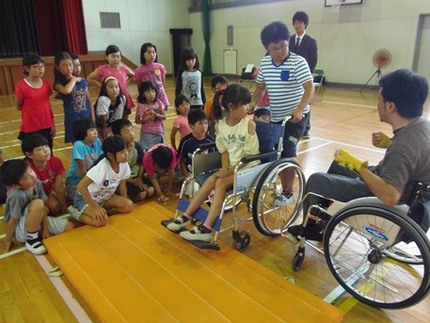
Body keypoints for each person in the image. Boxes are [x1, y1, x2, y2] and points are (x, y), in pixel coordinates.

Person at [288, 69, 430, 240]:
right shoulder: (421, 126)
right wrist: (390, 143)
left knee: (317, 180)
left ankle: (312, 230)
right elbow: (414, 157)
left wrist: (360, 168)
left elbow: (390, 196)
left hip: (384, 200)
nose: (377, 103)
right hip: (409, 192)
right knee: (338, 165)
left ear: (390, 106)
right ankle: (322, 222)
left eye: (379, 98)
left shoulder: (404, 147)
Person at [167, 84, 260, 242]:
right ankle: (185, 217)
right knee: (212, 179)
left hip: (249, 166)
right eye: (244, 104)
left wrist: (230, 170)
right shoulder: (221, 126)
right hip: (231, 166)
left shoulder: (249, 125)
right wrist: (225, 168)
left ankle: (207, 228)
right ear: (231, 106)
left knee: (221, 183)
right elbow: (223, 151)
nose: (248, 108)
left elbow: (250, 155)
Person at [251, 21, 314, 200]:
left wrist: (300, 109)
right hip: (276, 116)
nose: (280, 51)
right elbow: (260, 88)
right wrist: (253, 103)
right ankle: (282, 186)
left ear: (288, 42)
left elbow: (310, 89)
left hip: (296, 117)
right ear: (266, 48)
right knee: (274, 151)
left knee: (287, 151)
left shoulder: (298, 62)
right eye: (274, 48)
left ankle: (288, 193)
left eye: (283, 46)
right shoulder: (265, 63)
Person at [0, 159, 75, 255]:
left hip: (37, 221)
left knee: (69, 226)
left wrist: (45, 228)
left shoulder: (37, 183)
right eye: (27, 177)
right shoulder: (17, 195)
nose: (32, 176)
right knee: (38, 203)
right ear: (16, 185)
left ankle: (36, 233)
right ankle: (31, 240)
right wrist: (7, 240)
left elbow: (42, 207)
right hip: (21, 229)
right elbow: (13, 220)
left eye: (30, 170)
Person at [68, 136, 133, 227]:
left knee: (128, 205)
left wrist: (124, 200)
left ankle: (102, 210)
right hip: (85, 199)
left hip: (105, 198)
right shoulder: (101, 168)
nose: (126, 154)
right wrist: (94, 207)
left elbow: (123, 186)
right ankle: (75, 213)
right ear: (110, 155)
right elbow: (80, 186)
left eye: (126, 150)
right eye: (122, 152)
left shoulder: (124, 165)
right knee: (101, 221)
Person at [15, 53, 55, 149]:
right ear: (27, 68)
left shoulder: (45, 83)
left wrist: (52, 124)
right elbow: (18, 106)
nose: (40, 69)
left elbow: (47, 104)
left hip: (47, 125)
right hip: (31, 127)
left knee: (48, 151)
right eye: (36, 67)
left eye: (42, 66)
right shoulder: (21, 86)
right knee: (33, 152)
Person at [289, 11, 318, 139]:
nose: (297, 25)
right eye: (295, 22)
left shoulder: (311, 41)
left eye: (299, 22)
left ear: (305, 24)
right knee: (293, 99)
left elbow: (313, 60)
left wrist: (307, 75)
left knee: (306, 101)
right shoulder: (289, 40)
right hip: (291, 77)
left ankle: (306, 128)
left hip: (304, 76)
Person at [53, 52, 94, 143]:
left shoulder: (82, 81)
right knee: (77, 144)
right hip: (73, 120)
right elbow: (67, 91)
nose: (69, 68)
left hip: (85, 117)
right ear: (57, 67)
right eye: (64, 66)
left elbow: (89, 101)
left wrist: (93, 119)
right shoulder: (58, 84)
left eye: (70, 65)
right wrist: (74, 79)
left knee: (90, 142)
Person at [22, 134, 67, 215]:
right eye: (39, 149)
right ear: (29, 154)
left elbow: (59, 186)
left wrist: (64, 207)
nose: (46, 150)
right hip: (32, 196)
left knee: (60, 204)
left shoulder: (56, 161)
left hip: (46, 191)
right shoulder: (26, 169)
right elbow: (29, 193)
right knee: (51, 207)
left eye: (46, 146)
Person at [111, 119, 155, 202]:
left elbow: (142, 163)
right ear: (118, 136)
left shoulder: (137, 146)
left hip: (136, 177)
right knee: (141, 195)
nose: (131, 134)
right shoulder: (116, 151)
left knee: (150, 191)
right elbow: (118, 172)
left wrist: (139, 178)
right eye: (127, 132)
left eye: (132, 130)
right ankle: (124, 195)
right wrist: (133, 181)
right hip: (125, 179)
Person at [87, 45, 135, 113]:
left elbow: (133, 76)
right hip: (109, 98)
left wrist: (125, 85)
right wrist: (102, 87)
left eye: (118, 56)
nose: (116, 59)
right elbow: (89, 78)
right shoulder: (102, 69)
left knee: (124, 118)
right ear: (106, 57)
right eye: (113, 56)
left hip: (123, 96)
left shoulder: (124, 69)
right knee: (109, 117)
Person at [65, 119, 103, 203]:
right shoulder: (79, 145)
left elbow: (101, 162)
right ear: (82, 133)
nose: (95, 132)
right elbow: (82, 171)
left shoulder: (98, 142)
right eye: (91, 130)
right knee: (85, 201)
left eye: (95, 129)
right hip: (76, 182)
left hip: (91, 179)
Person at [177, 109, 215, 182]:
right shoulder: (185, 142)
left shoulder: (211, 142)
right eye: (200, 123)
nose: (204, 126)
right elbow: (182, 161)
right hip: (191, 175)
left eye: (206, 123)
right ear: (191, 126)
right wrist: (186, 176)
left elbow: (213, 164)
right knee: (194, 189)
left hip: (207, 175)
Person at [134, 42, 169, 111]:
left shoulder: (160, 67)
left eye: (153, 52)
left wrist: (159, 91)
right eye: (149, 52)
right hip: (148, 99)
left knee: (161, 118)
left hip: (161, 96)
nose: (152, 55)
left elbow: (163, 81)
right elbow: (140, 86)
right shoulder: (139, 70)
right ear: (143, 54)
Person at [135, 81, 166, 150]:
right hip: (147, 134)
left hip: (159, 132)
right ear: (143, 94)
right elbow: (137, 120)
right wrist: (146, 119)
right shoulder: (141, 105)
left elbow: (164, 117)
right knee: (148, 152)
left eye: (153, 91)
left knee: (159, 152)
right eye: (148, 92)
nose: (151, 94)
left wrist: (156, 115)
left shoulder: (158, 102)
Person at [204, 75, 228, 139]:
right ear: (213, 89)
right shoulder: (210, 102)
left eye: (224, 87)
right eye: (218, 89)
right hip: (214, 134)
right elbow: (206, 119)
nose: (222, 90)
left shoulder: (230, 101)